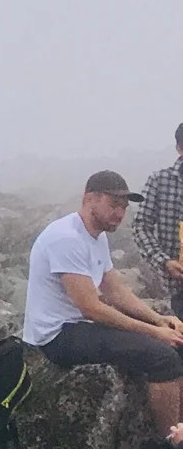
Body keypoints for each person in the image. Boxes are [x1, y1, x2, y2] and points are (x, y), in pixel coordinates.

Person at [24, 173, 183, 430]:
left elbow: (114, 291)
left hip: (81, 324)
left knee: (177, 342)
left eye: (124, 207)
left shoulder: (97, 236)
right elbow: (91, 308)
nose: (120, 213)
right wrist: (154, 332)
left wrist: (159, 319)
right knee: (162, 357)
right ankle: (172, 442)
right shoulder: (66, 238)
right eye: (114, 204)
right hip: (58, 335)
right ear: (89, 199)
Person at [135, 127, 183, 315]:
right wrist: (164, 261)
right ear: (179, 147)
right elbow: (141, 227)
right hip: (178, 286)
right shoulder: (160, 181)